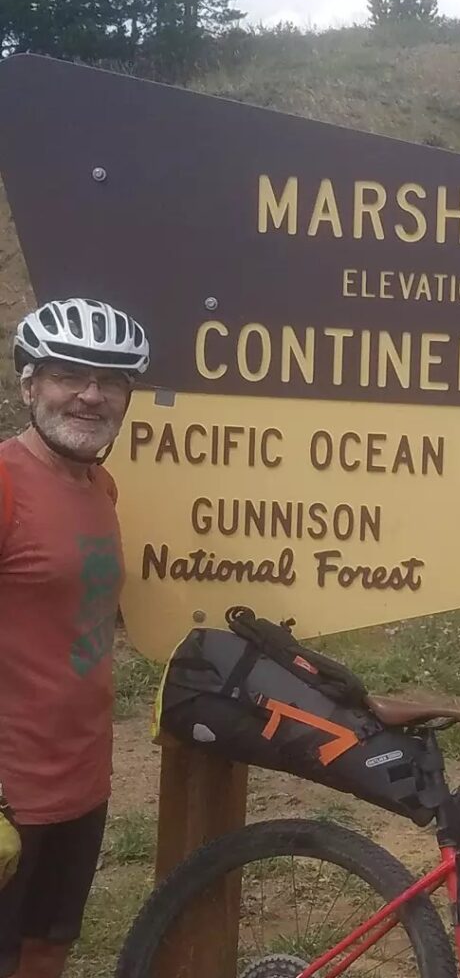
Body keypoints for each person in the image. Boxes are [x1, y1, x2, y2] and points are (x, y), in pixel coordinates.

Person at [0, 298, 149, 978]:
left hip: (80, 782)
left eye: (112, 380)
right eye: (69, 374)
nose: (91, 394)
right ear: (29, 384)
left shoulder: (100, 488)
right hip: (9, 790)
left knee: (49, 948)